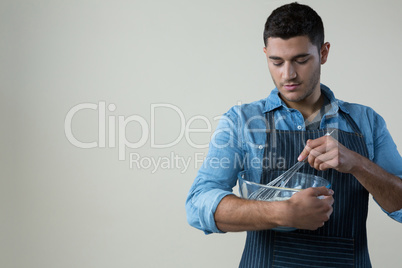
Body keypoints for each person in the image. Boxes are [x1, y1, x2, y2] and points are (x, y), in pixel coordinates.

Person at [185, 2, 402, 267]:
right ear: (265, 54)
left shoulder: (366, 122)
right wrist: (282, 212)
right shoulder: (241, 122)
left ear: (323, 53)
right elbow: (198, 205)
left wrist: (358, 164)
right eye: (276, 61)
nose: (288, 74)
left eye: (301, 60)